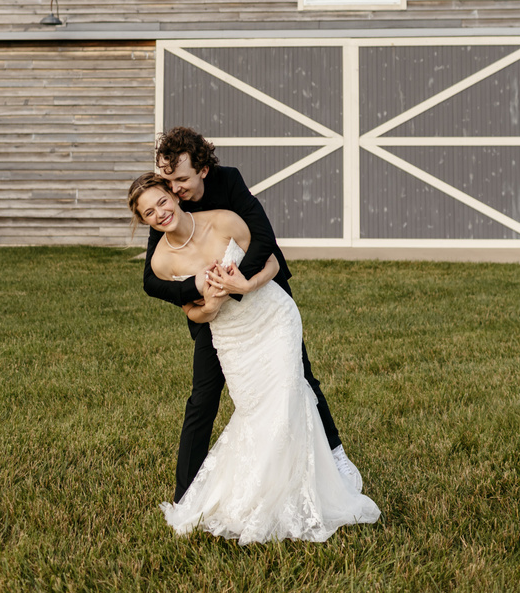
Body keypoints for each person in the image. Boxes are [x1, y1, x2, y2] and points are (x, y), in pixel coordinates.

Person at [129, 172, 380, 543]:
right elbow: (192, 313)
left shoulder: (224, 218)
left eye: (162, 201)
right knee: (250, 411)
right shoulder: (162, 262)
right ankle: (250, 494)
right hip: (230, 336)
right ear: (145, 221)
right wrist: (211, 306)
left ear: (174, 195)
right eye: (149, 212)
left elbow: (272, 261)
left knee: (285, 400)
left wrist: (245, 285)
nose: (160, 213)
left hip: (272, 317)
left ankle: (308, 489)